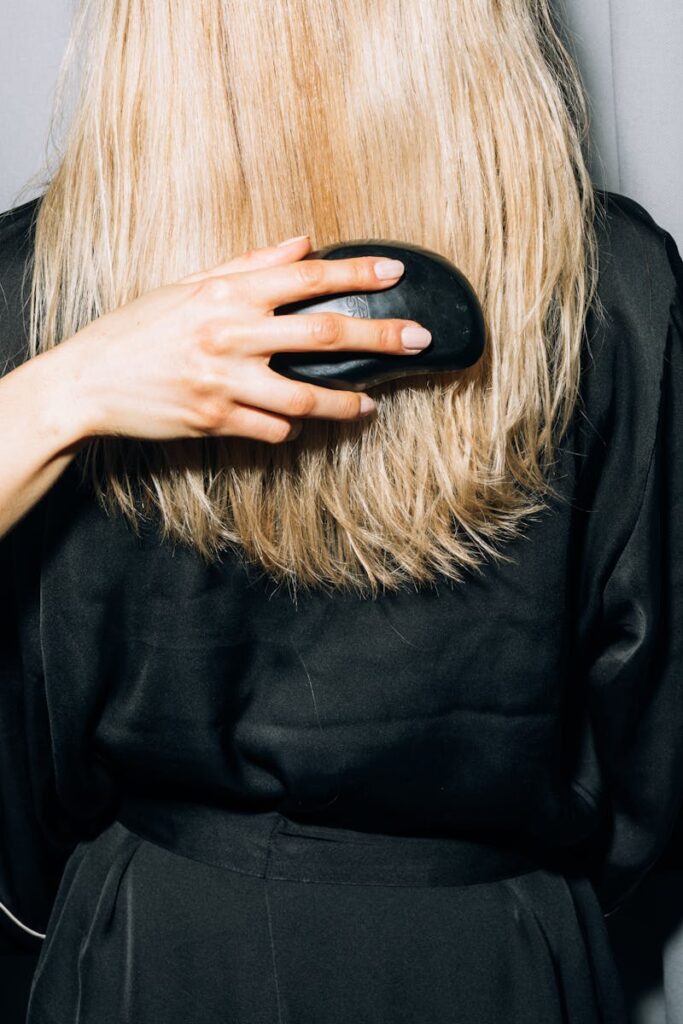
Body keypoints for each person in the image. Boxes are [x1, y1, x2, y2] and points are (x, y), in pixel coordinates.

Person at [0, 1, 682, 1021]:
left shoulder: (39, 294)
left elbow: (17, 744)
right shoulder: (616, 286)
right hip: (497, 956)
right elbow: (651, 740)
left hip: (149, 947)